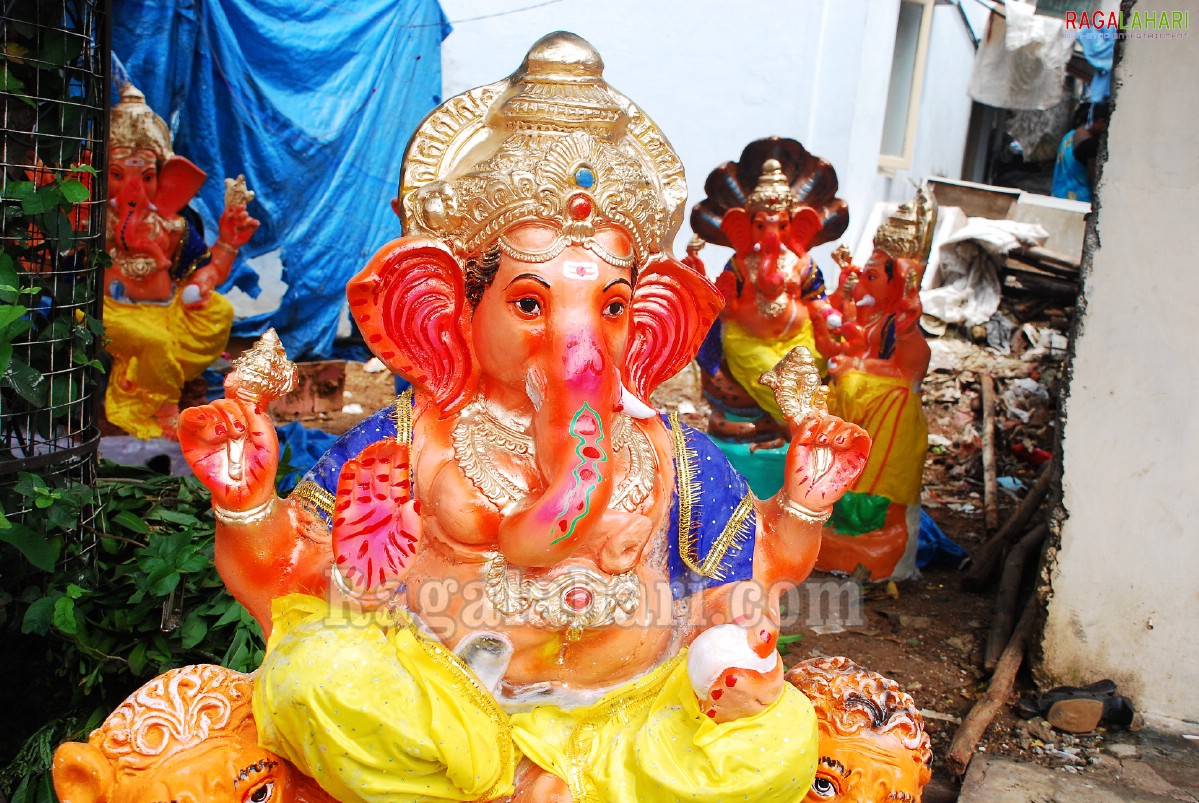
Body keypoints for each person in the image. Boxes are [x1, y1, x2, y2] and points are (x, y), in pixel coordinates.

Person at [1052, 101, 1110, 203]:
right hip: (1079, 203)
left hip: (1059, 196)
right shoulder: (1091, 145)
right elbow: (1094, 180)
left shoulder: (1069, 136)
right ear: (1100, 121)